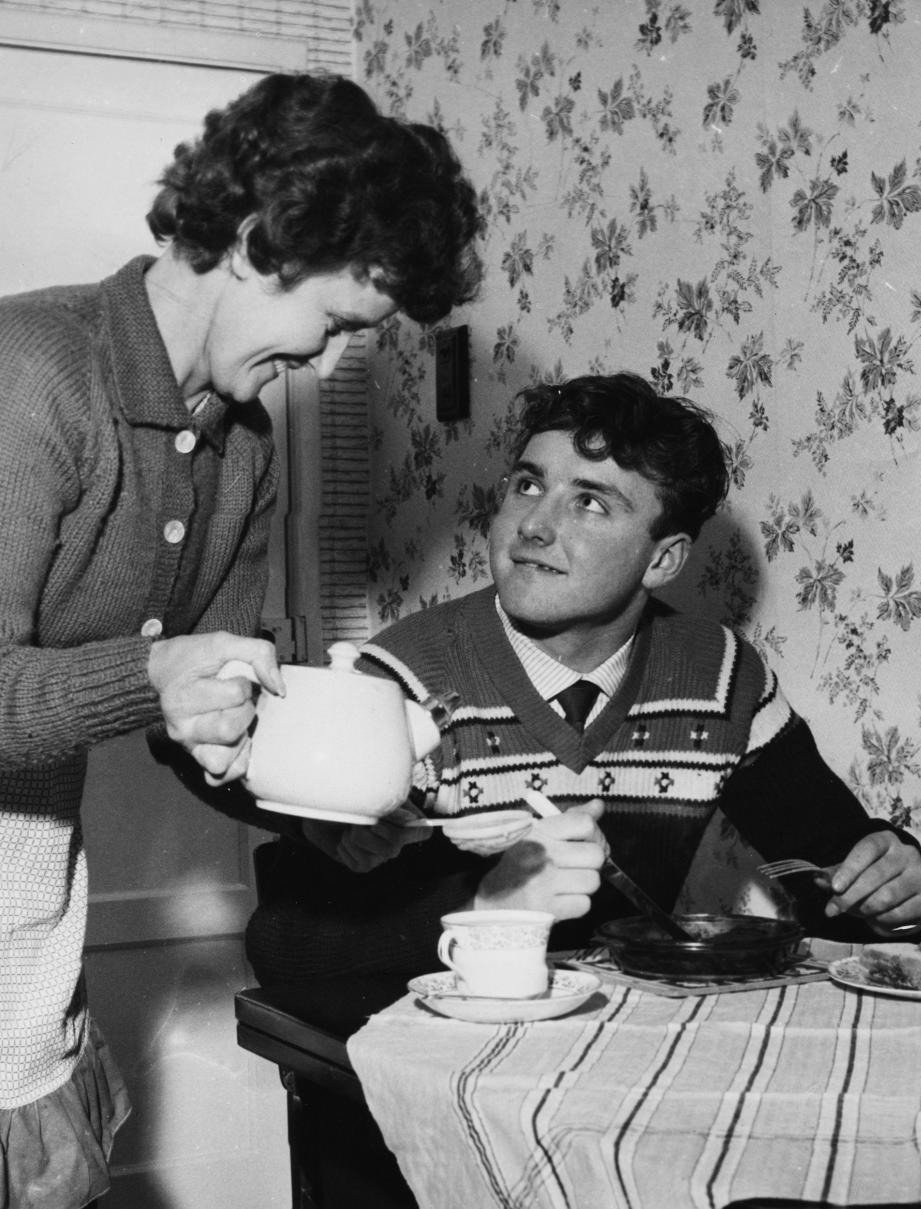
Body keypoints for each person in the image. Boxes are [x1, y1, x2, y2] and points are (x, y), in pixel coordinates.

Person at [0, 71, 481, 1208]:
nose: (323, 363)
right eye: (339, 323)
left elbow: (202, 708)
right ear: (263, 241)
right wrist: (153, 674)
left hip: (23, 944)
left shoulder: (243, 442)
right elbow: (147, 679)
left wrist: (331, 816)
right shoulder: (32, 373)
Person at [246, 372, 921, 987]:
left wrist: (898, 891)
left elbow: (834, 882)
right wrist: (488, 907)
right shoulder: (395, 684)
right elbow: (284, 948)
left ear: (664, 560)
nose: (535, 526)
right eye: (528, 484)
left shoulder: (718, 674)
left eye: (590, 503)